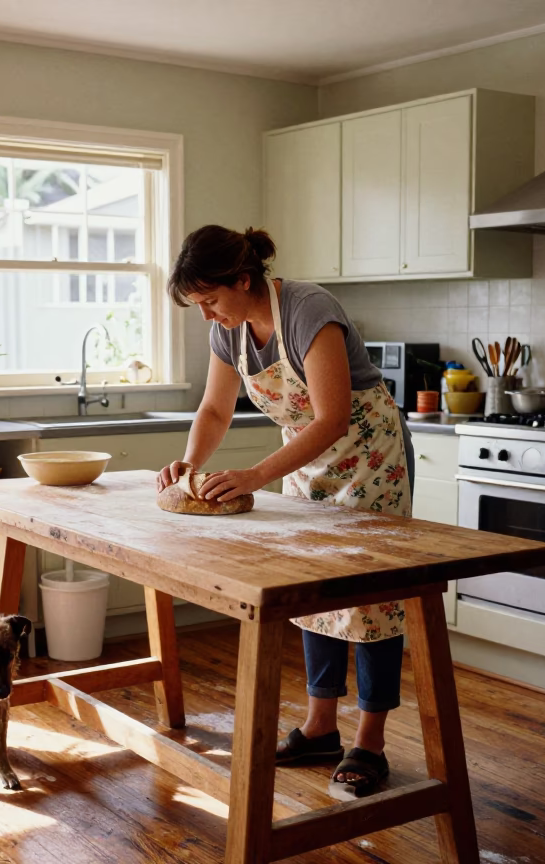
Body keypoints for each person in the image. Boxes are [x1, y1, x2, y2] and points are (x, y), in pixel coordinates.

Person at [157, 224, 416, 799]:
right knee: (311, 593)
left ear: (242, 280)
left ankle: (369, 743)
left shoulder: (307, 309)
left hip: (369, 458)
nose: (206, 315)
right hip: (306, 464)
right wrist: (188, 464)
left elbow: (332, 418)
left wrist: (254, 476)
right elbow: (215, 409)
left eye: (209, 301)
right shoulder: (231, 331)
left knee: (371, 599)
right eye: (197, 305)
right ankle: (321, 727)